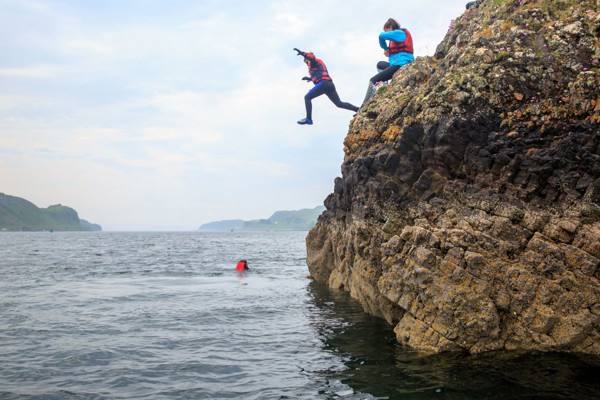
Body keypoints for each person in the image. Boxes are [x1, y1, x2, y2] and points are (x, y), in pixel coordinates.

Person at [294, 48, 359, 125]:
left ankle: (308, 119)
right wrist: (310, 78)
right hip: (329, 85)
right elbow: (319, 74)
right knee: (339, 103)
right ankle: (358, 109)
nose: (306, 63)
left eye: (306, 61)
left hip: (324, 83)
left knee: (307, 97)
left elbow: (312, 58)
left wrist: (302, 53)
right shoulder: (314, 65)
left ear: (308, 59)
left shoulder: (314, 61)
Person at [361, 18, 414, 106]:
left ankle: (364, 105)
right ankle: (385, 83)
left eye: (387, 31)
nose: (387, 34)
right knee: (380, 65)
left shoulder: (400, 33)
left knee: (373, 81)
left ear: (390, 27)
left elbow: (381, 36)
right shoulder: (395, 38)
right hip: (396, 64)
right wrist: (389, 51)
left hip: (402, 65)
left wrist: (385, 48)